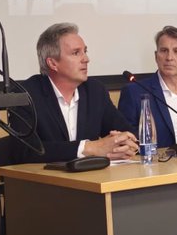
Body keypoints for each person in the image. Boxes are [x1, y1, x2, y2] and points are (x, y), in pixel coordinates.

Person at [9, 22, 138, 163]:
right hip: (45, 182)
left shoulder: (95, 91)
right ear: (53, 63)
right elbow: (25, 151)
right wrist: (89, 148)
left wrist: (123, 144)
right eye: (76, 53)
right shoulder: (25, 96)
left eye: (85, 51)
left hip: (92, 179)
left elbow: (128, 133)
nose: (86, 59)